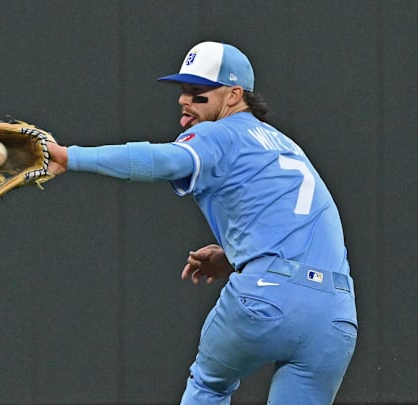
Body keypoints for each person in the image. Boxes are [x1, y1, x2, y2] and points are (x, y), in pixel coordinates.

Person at [45, 41, 357, 404]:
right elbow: (296, 219)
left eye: (198, 92)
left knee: (210, 385)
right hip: (334, 315)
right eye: (183, 91)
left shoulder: (220, 134)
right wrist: (233, 256)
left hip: (266, 298)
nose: (184, 100)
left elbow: (167, 161)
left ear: (234, 95)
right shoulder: (285, 145)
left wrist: (71, 158)